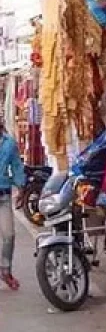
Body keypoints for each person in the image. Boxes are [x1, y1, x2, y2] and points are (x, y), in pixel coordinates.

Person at [0, 122, 25, 290]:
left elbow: (16, 165)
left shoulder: (9, 143)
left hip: (3, 195)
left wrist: (21, 187)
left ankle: (5, 270)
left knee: (9, 235)